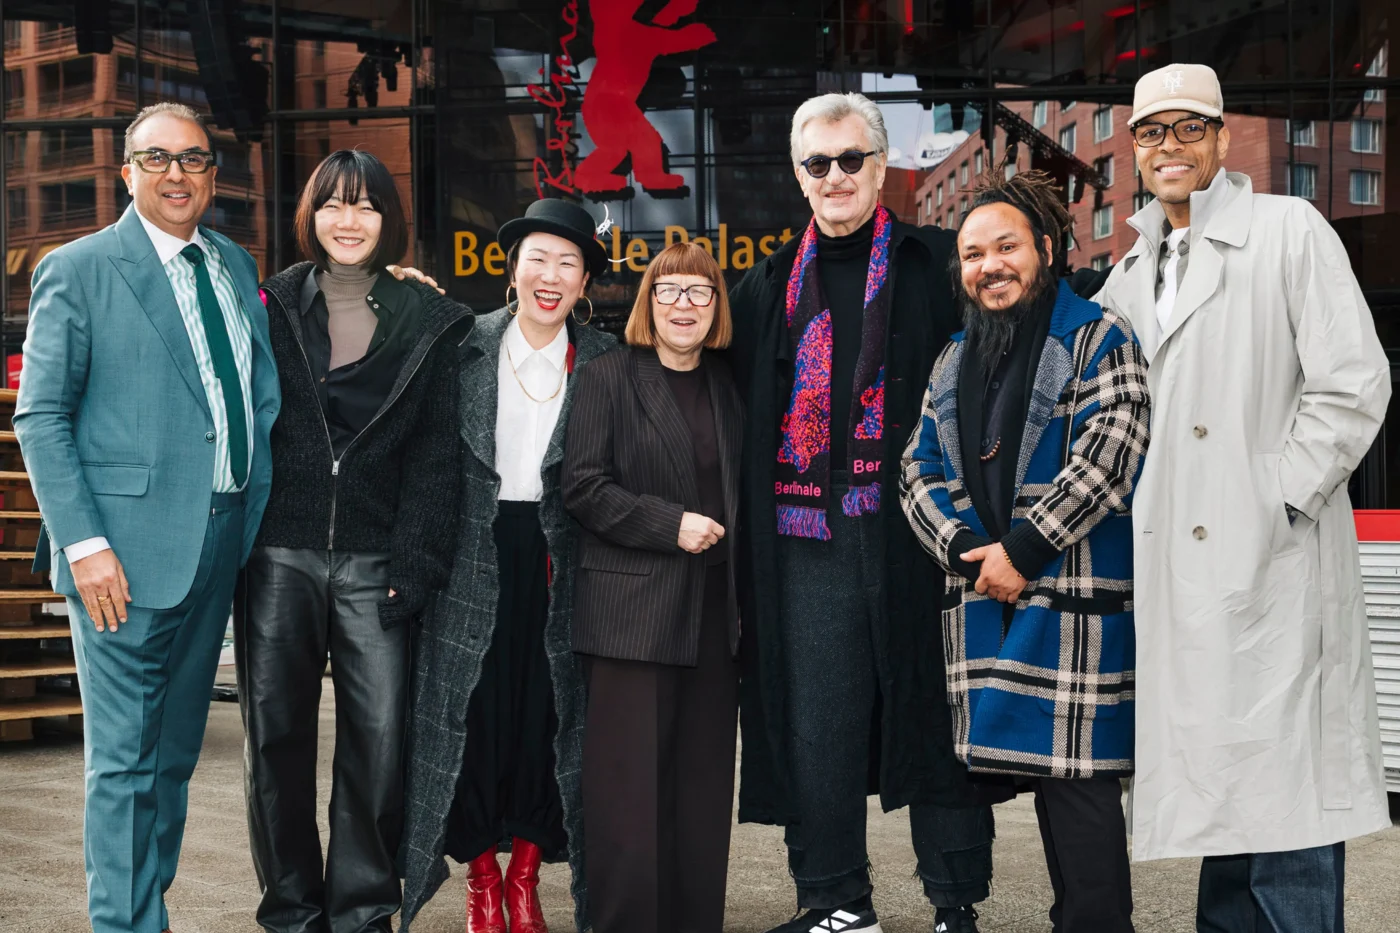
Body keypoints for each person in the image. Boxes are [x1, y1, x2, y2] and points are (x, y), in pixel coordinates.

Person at [1095, 63, 1392, 932]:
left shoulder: (1288, 228)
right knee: (1226, 788)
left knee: (1285, 788)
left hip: (1273, 560)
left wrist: (1280, 499)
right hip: (1182, 576)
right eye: (1153, 132)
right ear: (1137, 154)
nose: (1170, 146)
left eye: (1190, 128)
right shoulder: (1127, 270)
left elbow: (1353, 382)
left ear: (1224, 140)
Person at [727, 91, 1001, 933]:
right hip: (804, 534)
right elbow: (679, 359)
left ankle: (955, 903)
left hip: (916, 529)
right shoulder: (765, 284)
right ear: (799, 176)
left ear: (881, 168)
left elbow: (1010, 341)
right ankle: (836, 901)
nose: (837, 175)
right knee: (818, 726)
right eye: (819, 162)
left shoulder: (935, 266)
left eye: (853, 159)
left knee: (934, 712)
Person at [13, 101, 280, 933]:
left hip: (223, 538)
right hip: (120, 557)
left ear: (212, 176)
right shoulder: (80, 267)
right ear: (126, 171)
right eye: (157, 158)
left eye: (194, 160)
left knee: (170, 758)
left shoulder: (235, 266)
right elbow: (41, 415)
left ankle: (142, 910)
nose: (177, 174)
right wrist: (84, 543)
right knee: (124, 762)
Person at [901, 167, 1150, 933]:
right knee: (1042, 783)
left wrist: (1023, 551)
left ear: (1044, 247)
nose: (988, 265)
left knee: (1078, 788)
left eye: (1005, 246)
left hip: (1074, 601)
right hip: (985, 596)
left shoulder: (1097, 336)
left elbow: (1113, 454)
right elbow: (917, 471)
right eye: (973, 254)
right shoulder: (951, 358)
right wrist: (974, 551)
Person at [236, 149, 471, 933]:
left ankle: (363, 910)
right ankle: (292, 911)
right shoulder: (267, 303)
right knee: (274, 741)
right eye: (333, 204)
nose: (348, 219)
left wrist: (418, 562)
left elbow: (438, 455)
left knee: (376, 745)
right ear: (312, 214)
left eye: (365, 206)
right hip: (279, 553)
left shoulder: (432, 320)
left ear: (387, 219)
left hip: (378, 562)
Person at [400, 198, 615, 933]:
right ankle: (479, 882)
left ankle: (525, 877)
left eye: (568, 263)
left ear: (586, 280)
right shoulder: (462, 341)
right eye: (538, 260)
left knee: (546, 719)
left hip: (561, 560)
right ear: (513, 269)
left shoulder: (608, 361)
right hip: (470, 555)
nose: (550, 277)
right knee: (470, 719)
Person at [561, 241, 744, 933]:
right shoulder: (609, 375)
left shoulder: (729, 386)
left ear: (716, 306)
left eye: (700, 291)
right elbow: (582, 487)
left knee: (701, 796)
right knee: (629, 800)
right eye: (668, 291)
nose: (684, 305)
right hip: (631, 613)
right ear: (648, 303)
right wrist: (671, 525)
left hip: (713, 617)